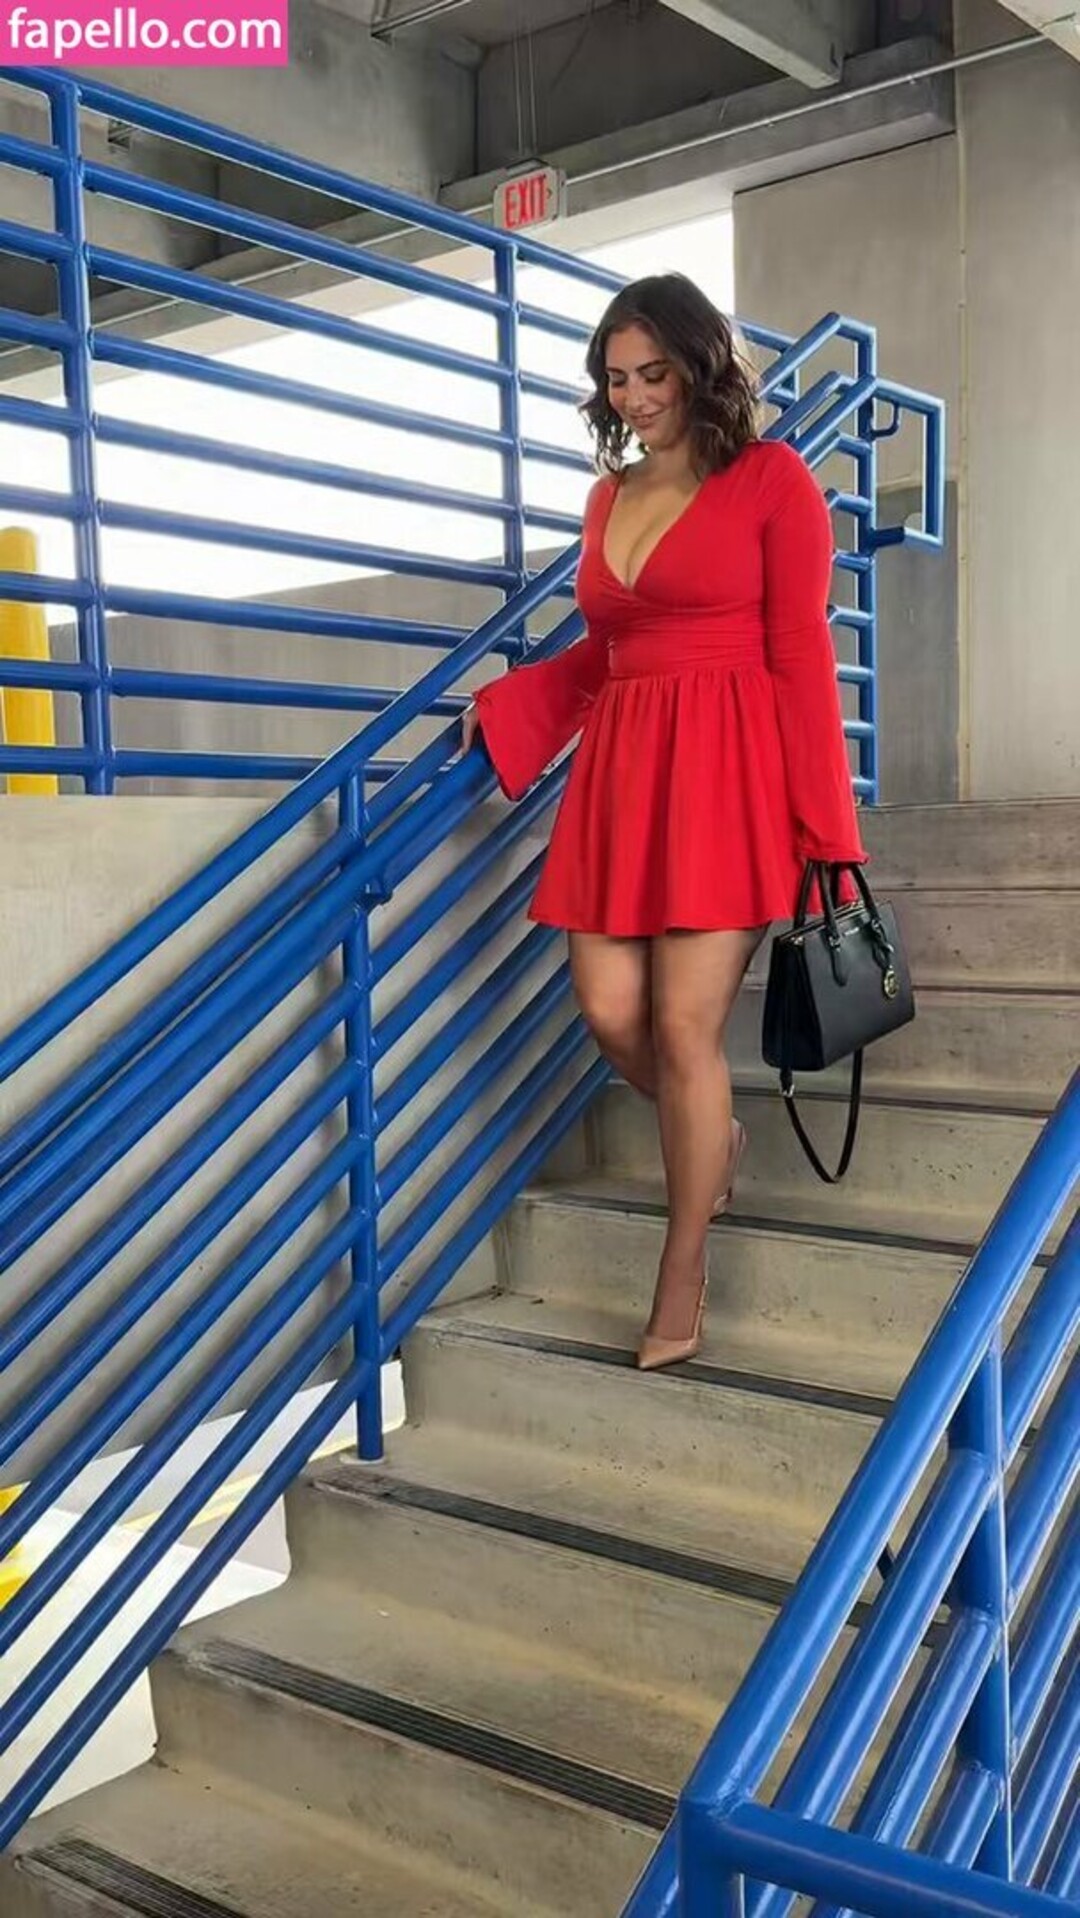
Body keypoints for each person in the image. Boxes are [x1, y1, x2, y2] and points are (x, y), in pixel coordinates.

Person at [461, 272, 865, 1371]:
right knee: (609, 1012)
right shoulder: (610, 498)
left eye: (653, 373)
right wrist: (508, 705)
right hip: (624, 773)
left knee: (686, 1031)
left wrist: (826, 832)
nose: (635, 397)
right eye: (616, 378)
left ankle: (681, 1264)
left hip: (729, 774)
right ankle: (711, 1137)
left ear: (699, 367)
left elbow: (802, 656)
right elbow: (603, 652)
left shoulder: (773, 480)